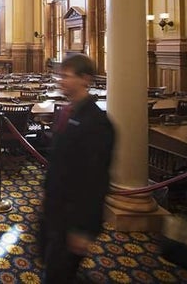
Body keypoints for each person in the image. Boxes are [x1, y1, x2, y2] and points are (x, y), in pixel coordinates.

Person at [41, 54, 115, 283]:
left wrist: (83, 228)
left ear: (85, 79)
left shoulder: (97, 123)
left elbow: (96, 180)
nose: (60, 80)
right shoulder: (67, 112)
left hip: (74, 217)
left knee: (58, 273)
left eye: (66, 76)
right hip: (56, 210)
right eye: (59, 75)